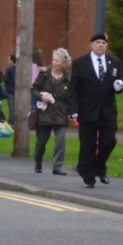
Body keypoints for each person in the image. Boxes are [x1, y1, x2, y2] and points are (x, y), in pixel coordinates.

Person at [70, 32, 123, 187]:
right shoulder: (80, 63)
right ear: (91, 45)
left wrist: (118, 86)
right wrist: (74, 110)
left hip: (107, 110)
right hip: (87, 111)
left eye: (104, 43)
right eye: (98, 42)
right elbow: (73, 89)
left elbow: (118, 81)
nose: (101, 45)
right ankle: (88, 176)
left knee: (109, 140)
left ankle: (100, 166)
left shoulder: (113, 62)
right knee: (88, 145)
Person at [31, 47, 73, 176]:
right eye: (54, 60)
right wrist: (41, 97)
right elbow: (33, 89)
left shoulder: (69, 78)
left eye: (58, 61)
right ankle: (38, 161)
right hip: (45, 112)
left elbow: (72, 96)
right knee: (41, 141)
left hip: (61, 113)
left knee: (60, 141)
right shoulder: (44, 75)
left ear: (64, 64)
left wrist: (73, 112)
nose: (55, 63)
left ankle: (57, 167)